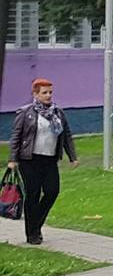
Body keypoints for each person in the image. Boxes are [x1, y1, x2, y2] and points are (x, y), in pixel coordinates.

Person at [8, 79, 78, 245]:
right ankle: (32, 234)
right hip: (30, 159)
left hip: (49, 159)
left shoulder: (58, 113)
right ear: (35, 94)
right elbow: (16, 136)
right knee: (33, 193)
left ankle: (36, 223)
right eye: (44, 93)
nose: (48, 96)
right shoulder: (25, 112)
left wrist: (73, 157)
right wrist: (13, 159)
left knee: (52, 191)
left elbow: (66, 135)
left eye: (50, 92)